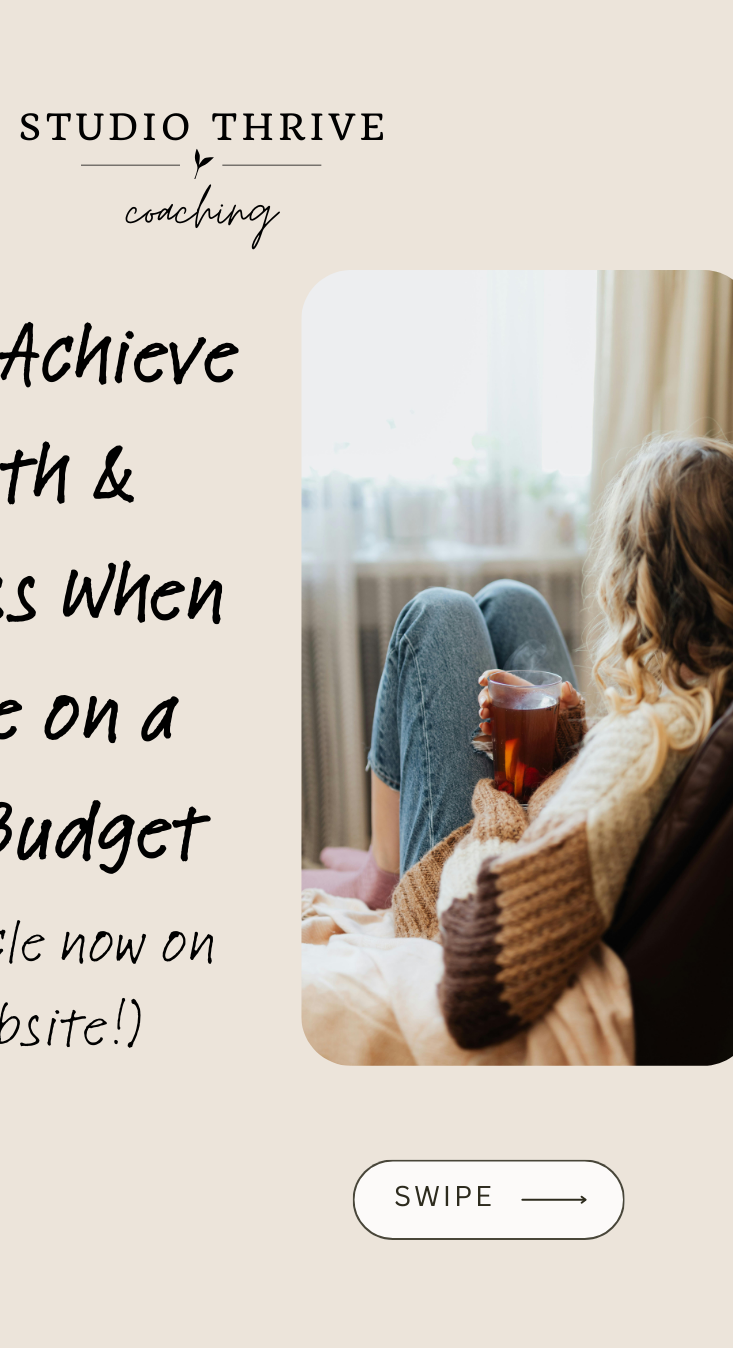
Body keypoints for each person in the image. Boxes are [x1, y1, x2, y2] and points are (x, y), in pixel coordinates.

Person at [302, 435, 733, 1050]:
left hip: (458, 898)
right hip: (534, 825)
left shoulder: (640, 746)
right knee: (513, 601)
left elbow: (480, 975)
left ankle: (385, 872)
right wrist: (571, 733)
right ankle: (382, 858)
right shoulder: (702, 701)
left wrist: (498, 801)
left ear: (637, 583)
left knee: (435, 614)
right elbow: (610, 807)